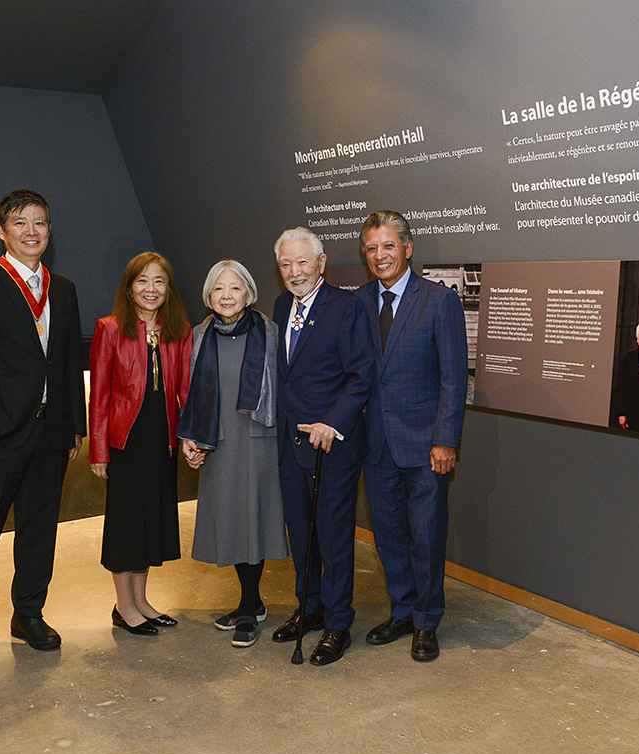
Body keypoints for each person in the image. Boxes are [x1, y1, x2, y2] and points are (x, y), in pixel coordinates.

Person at [0, 189, 86, 675]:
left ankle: (28, 613)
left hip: (51, 435)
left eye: (40, 223)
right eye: (21, 223)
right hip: (0, 433)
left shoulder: (62, 288)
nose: (32, 232)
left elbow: (69, 363)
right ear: (1, 231)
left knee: (39, 530)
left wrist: (73, 427)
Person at [356, 211, 467, 663]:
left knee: (426, 536)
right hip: (376, 445)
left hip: (426, 447)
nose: (380, 256)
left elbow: (453, 379)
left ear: (408, 248)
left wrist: (446, 441)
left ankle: (426, 621)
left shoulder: (439, 302)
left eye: (387, 246)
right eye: (371, 249)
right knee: (388, 536)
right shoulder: (360, 302)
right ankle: (401, 610)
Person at [270, 228, 376, 666]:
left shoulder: (347, 307)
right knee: (301, 533)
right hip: (289, 444)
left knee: (333, 538)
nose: (294, 272)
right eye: (285, 265)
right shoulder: (279, 307)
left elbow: (360, 374)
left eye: (302, 263)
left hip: (329, 445)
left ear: (321, 263)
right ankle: (309, 608)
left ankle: (337, 623)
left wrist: (332, 423)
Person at [177, 260, 285, 647]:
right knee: (231, 522)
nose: (226, 296)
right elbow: (188, 394)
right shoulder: (199, 335)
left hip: (259, 440)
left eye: (235, 288)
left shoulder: (269, 332)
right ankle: (251, 605)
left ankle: (250, 605)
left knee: (253, 521)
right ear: (209, 295)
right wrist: (190, 438)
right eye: (219, 288)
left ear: (249, 293)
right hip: (218, 442)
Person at [89, 253, 192, 636]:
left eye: (159, 281)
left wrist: (189, 438)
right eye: (143, 281)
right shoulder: (110, 328)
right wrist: (98, 449)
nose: (151, 289)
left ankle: (142, 601)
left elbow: (185, 389)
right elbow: (98, 395)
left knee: (152, 523)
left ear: (168, 289)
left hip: (161, 440)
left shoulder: (179, 329)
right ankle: (123, 606)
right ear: (130, 287)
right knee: (127, 526)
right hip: (124, 443)